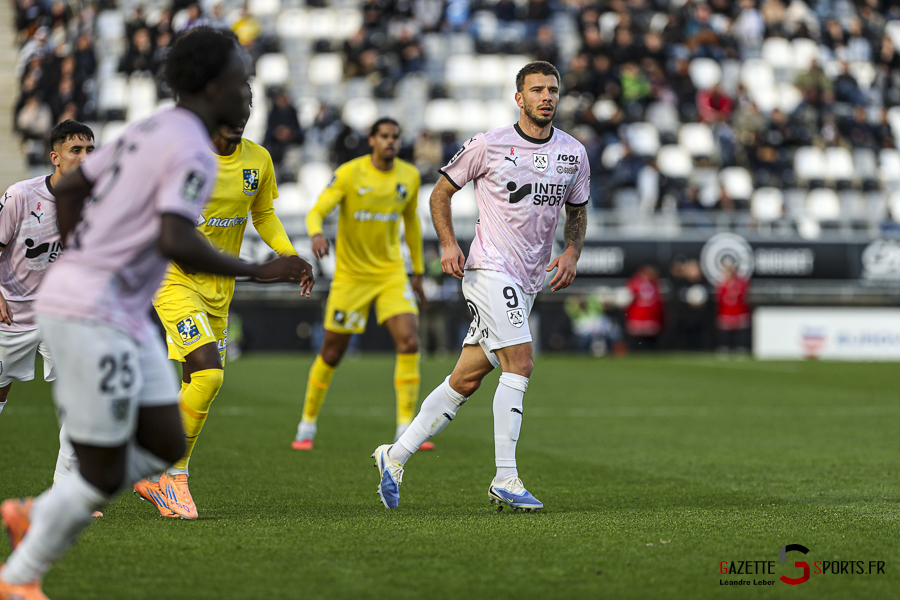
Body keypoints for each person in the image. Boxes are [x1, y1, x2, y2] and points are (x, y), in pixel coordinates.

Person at [0, 28, 314, 599]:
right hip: (95, 307)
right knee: (119, 444)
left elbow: (70, 196)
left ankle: (35, 528)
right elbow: (174, 235)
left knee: (165, 440)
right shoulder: (189, 146)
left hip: (110, 300)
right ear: (213, 86)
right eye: (240, 81)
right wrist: (257, 270)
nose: (248, 94)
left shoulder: (149, 130)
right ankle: (24, 567)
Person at [370, 60, 589, 511]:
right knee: (521, 362)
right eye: (537, 90)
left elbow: (578, 210)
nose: (546, 96)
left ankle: (394, 456)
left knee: (465, 379)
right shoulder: (489, 145)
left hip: (527, 280)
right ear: (519, 98)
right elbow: (440, 192)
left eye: (553, 89)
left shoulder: (574, 153)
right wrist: (448, 245)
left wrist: (571, 253)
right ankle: (505, 477)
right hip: (489, 270)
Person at [132, 89, 300, 520]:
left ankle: (153, 469)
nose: (239, 112)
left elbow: (263, 215)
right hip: (173, 279)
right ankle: (174, 478)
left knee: (195, 380)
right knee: (209, 374)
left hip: (219, 289)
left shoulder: (258, 159)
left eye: (245, 104)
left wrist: (287, 254)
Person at [291, 118, 429, 452]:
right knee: (333, 352)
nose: (390, 142)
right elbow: (316, 211)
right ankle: (306, 424)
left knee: (409, 341)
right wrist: (316, 233)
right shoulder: (350, 173)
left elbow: (411, 222)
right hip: (351, 277)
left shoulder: (408, 176)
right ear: (372, 140)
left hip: (391, 274)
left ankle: (405, 428)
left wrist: (418, 271)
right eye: (384, 136)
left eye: (395, 137)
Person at [0, 120, 99, 499]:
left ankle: (66, 492)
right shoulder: (21, 196)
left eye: (91, 150)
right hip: (14, 314)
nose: (85, 157)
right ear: (55, 157)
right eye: (76, 150)